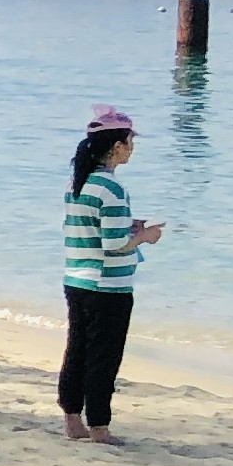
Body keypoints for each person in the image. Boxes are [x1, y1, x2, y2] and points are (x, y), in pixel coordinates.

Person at [60, 106, 164, 443]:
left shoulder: (78, 183)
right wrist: (145, 236)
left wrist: (129, 227)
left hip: (77, 278)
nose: (132, 148)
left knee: (77, 348)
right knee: (104, 356)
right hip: (108, 285)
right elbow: (114, 244)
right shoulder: (112, 188)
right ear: (115, 146)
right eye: (130, 141)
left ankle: (73, 419)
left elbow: (88, 228)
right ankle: (100, 427)